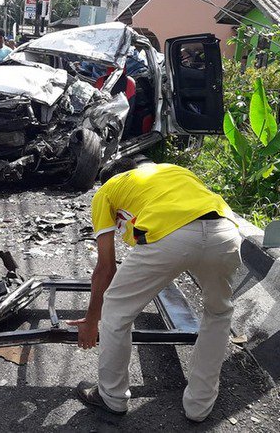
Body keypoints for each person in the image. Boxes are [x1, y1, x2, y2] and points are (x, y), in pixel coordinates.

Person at [68, 158, 242, 421]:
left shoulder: (107, 189)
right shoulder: (175, 170)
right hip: (225, 233)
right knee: (218, 315)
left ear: (111, 177)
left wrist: (92, 320)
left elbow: (106, 268)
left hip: (171, 237)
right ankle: (199, 407)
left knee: (115, 308)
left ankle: (111, 397)